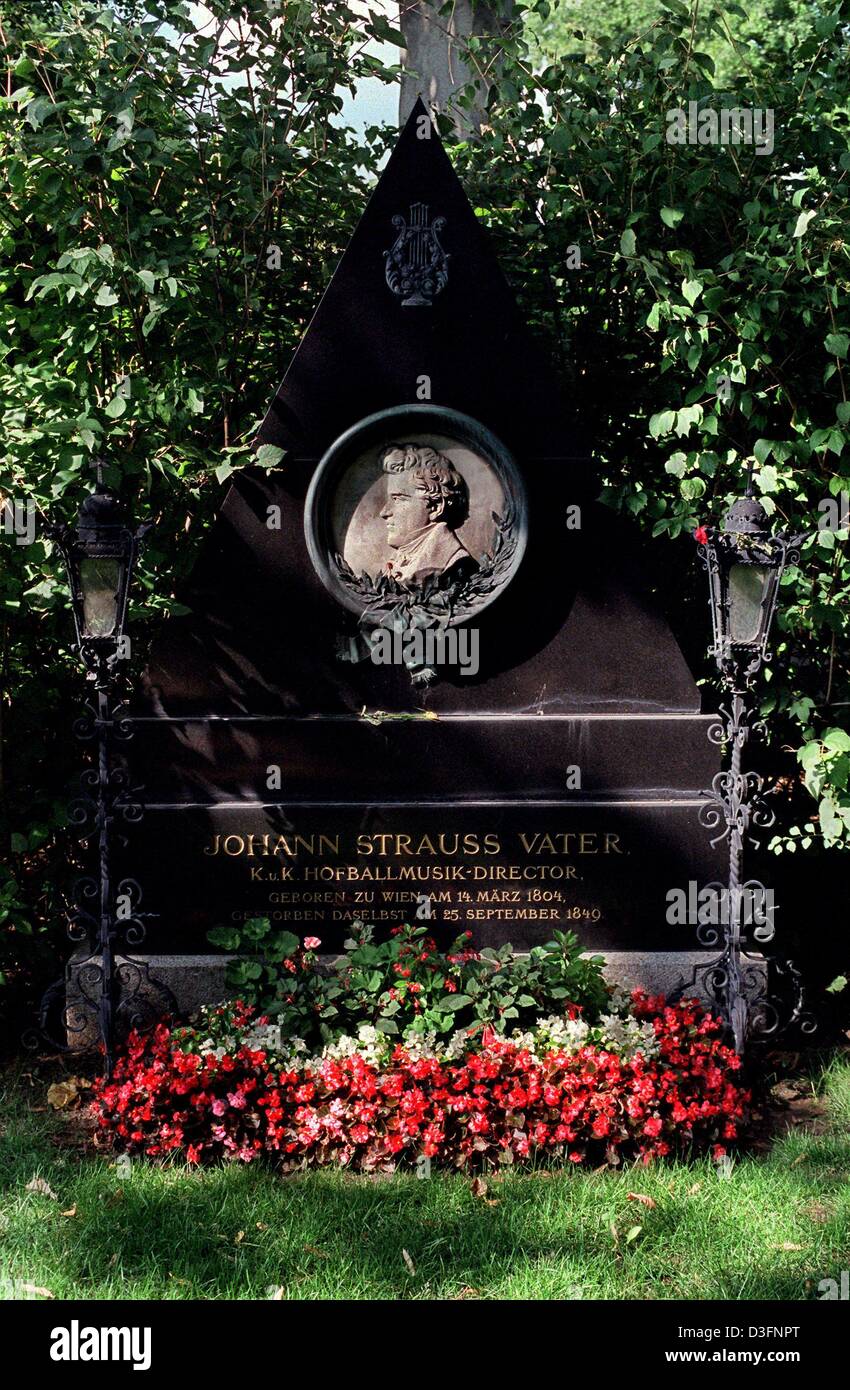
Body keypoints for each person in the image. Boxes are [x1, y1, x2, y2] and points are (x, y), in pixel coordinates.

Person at [380, 443, 477, 584]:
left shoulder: (455, 565)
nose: (384, 512)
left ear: (436, 506)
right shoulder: (399, 559)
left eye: (397, 499)